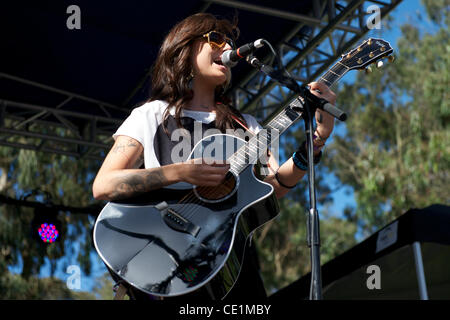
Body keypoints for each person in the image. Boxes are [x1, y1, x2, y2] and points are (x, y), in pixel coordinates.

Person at [92, 12, 336, 301]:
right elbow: (103, 185)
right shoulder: (152, 114)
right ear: (184, 48)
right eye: (216, 39)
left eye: (231, 42)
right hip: (169, 262)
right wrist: (180, 173)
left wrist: (316, 140)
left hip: (235, 268)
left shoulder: (247, 125)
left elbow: (273, 188)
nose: (228, 48)